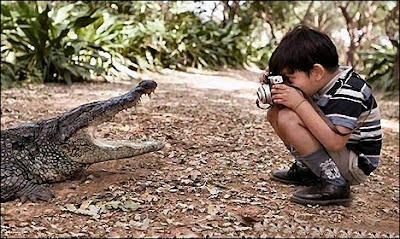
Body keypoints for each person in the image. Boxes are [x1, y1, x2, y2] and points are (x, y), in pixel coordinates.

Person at [260, 25, 382, 206]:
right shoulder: (321, 83)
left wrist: (299, 102)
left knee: (288, 118)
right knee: (275, 112)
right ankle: (309, 169)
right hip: (340, 152)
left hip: (355, 163)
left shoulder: (349, 90)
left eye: (290, 78)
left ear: (317, 72)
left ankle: (335, 183)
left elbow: (335, 142)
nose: (288, 84)